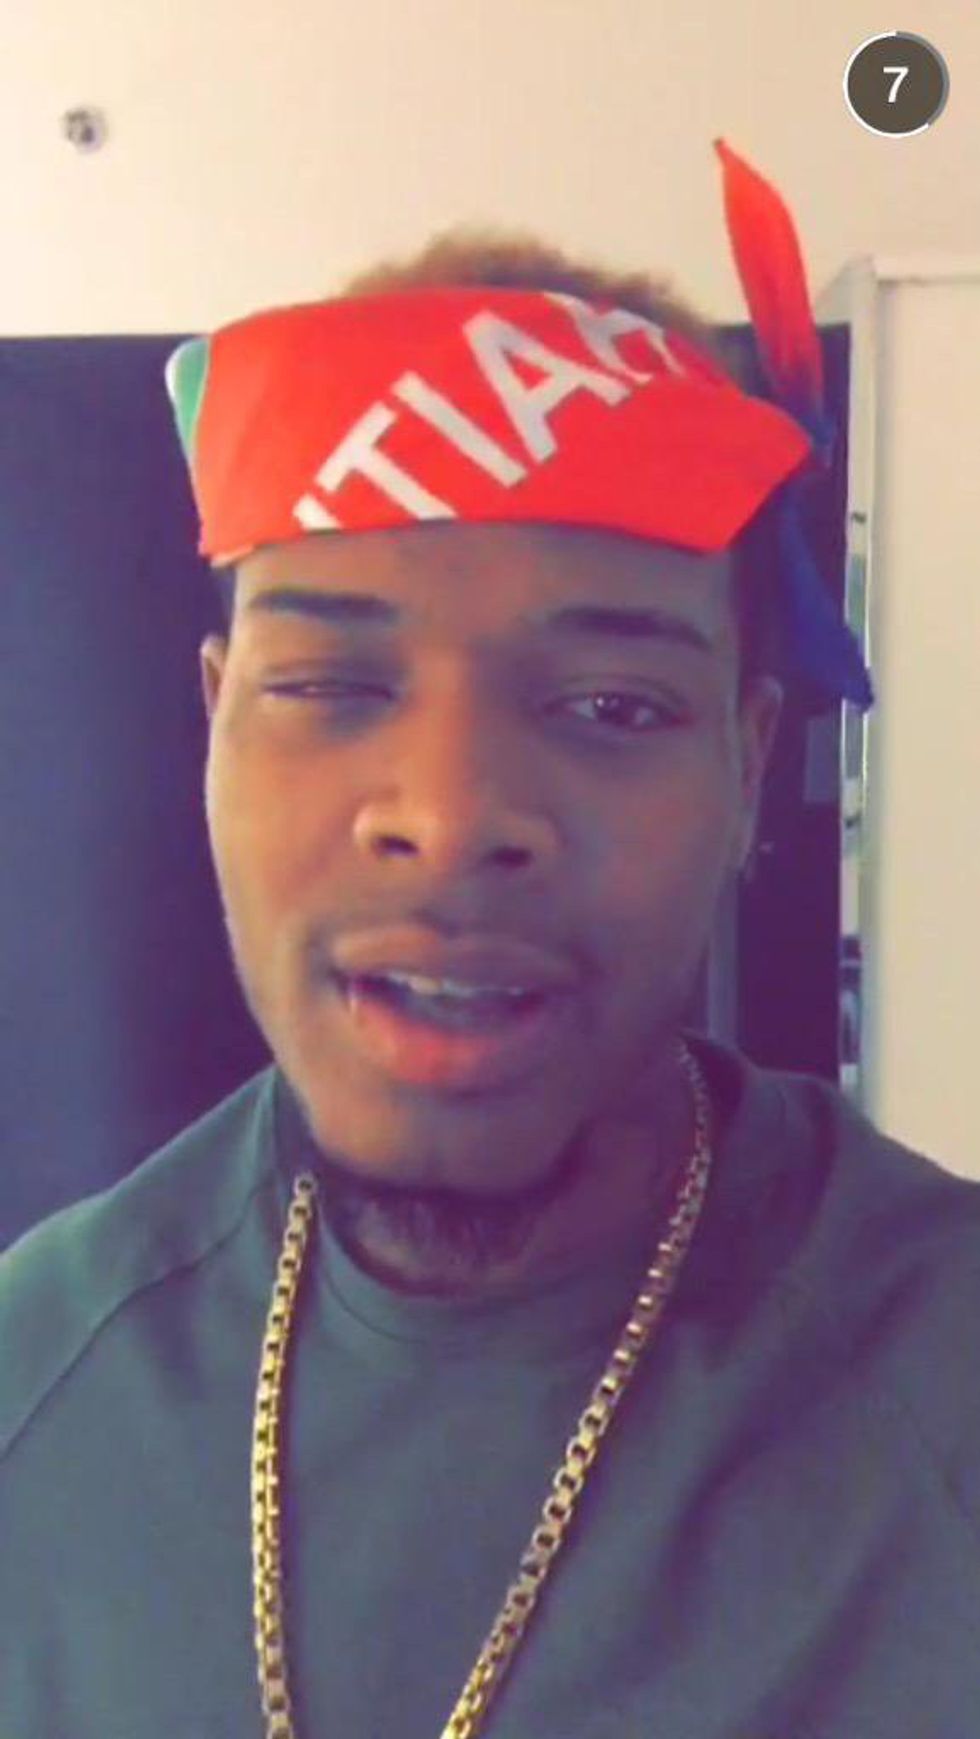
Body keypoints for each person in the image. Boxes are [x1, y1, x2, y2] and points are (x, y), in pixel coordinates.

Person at [2, 139, 978, 1739]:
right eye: (328, 686)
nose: (450, 817)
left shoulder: (945, 1389)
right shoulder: (35, 1388)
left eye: (612, 706)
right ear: (214, 728)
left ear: (747, 771)